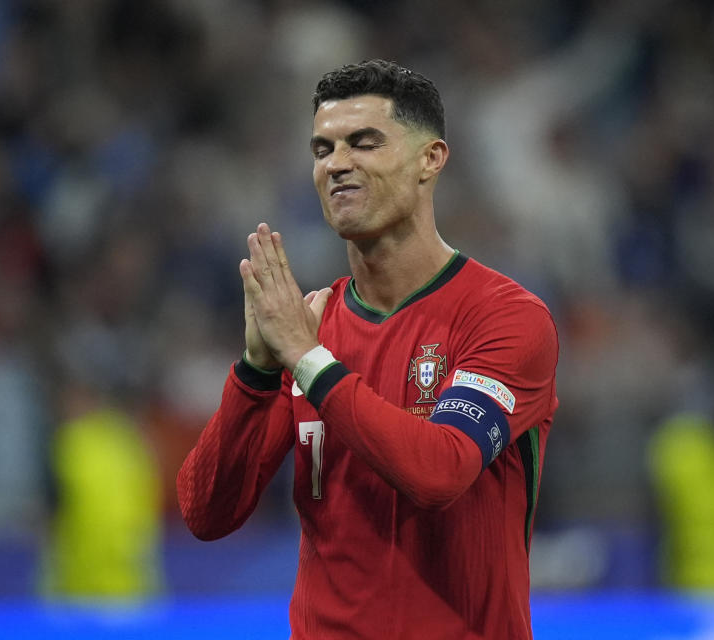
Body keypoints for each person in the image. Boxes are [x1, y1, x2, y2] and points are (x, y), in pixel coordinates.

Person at [177, 59, 559, 640]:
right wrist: (257, 372)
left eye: (365, 143)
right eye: (322, 149)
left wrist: (308, 362)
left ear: (431, 159)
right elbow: (206, 513)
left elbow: (440, 471)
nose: (337, 165)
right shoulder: (310, 326)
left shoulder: (504, 317)